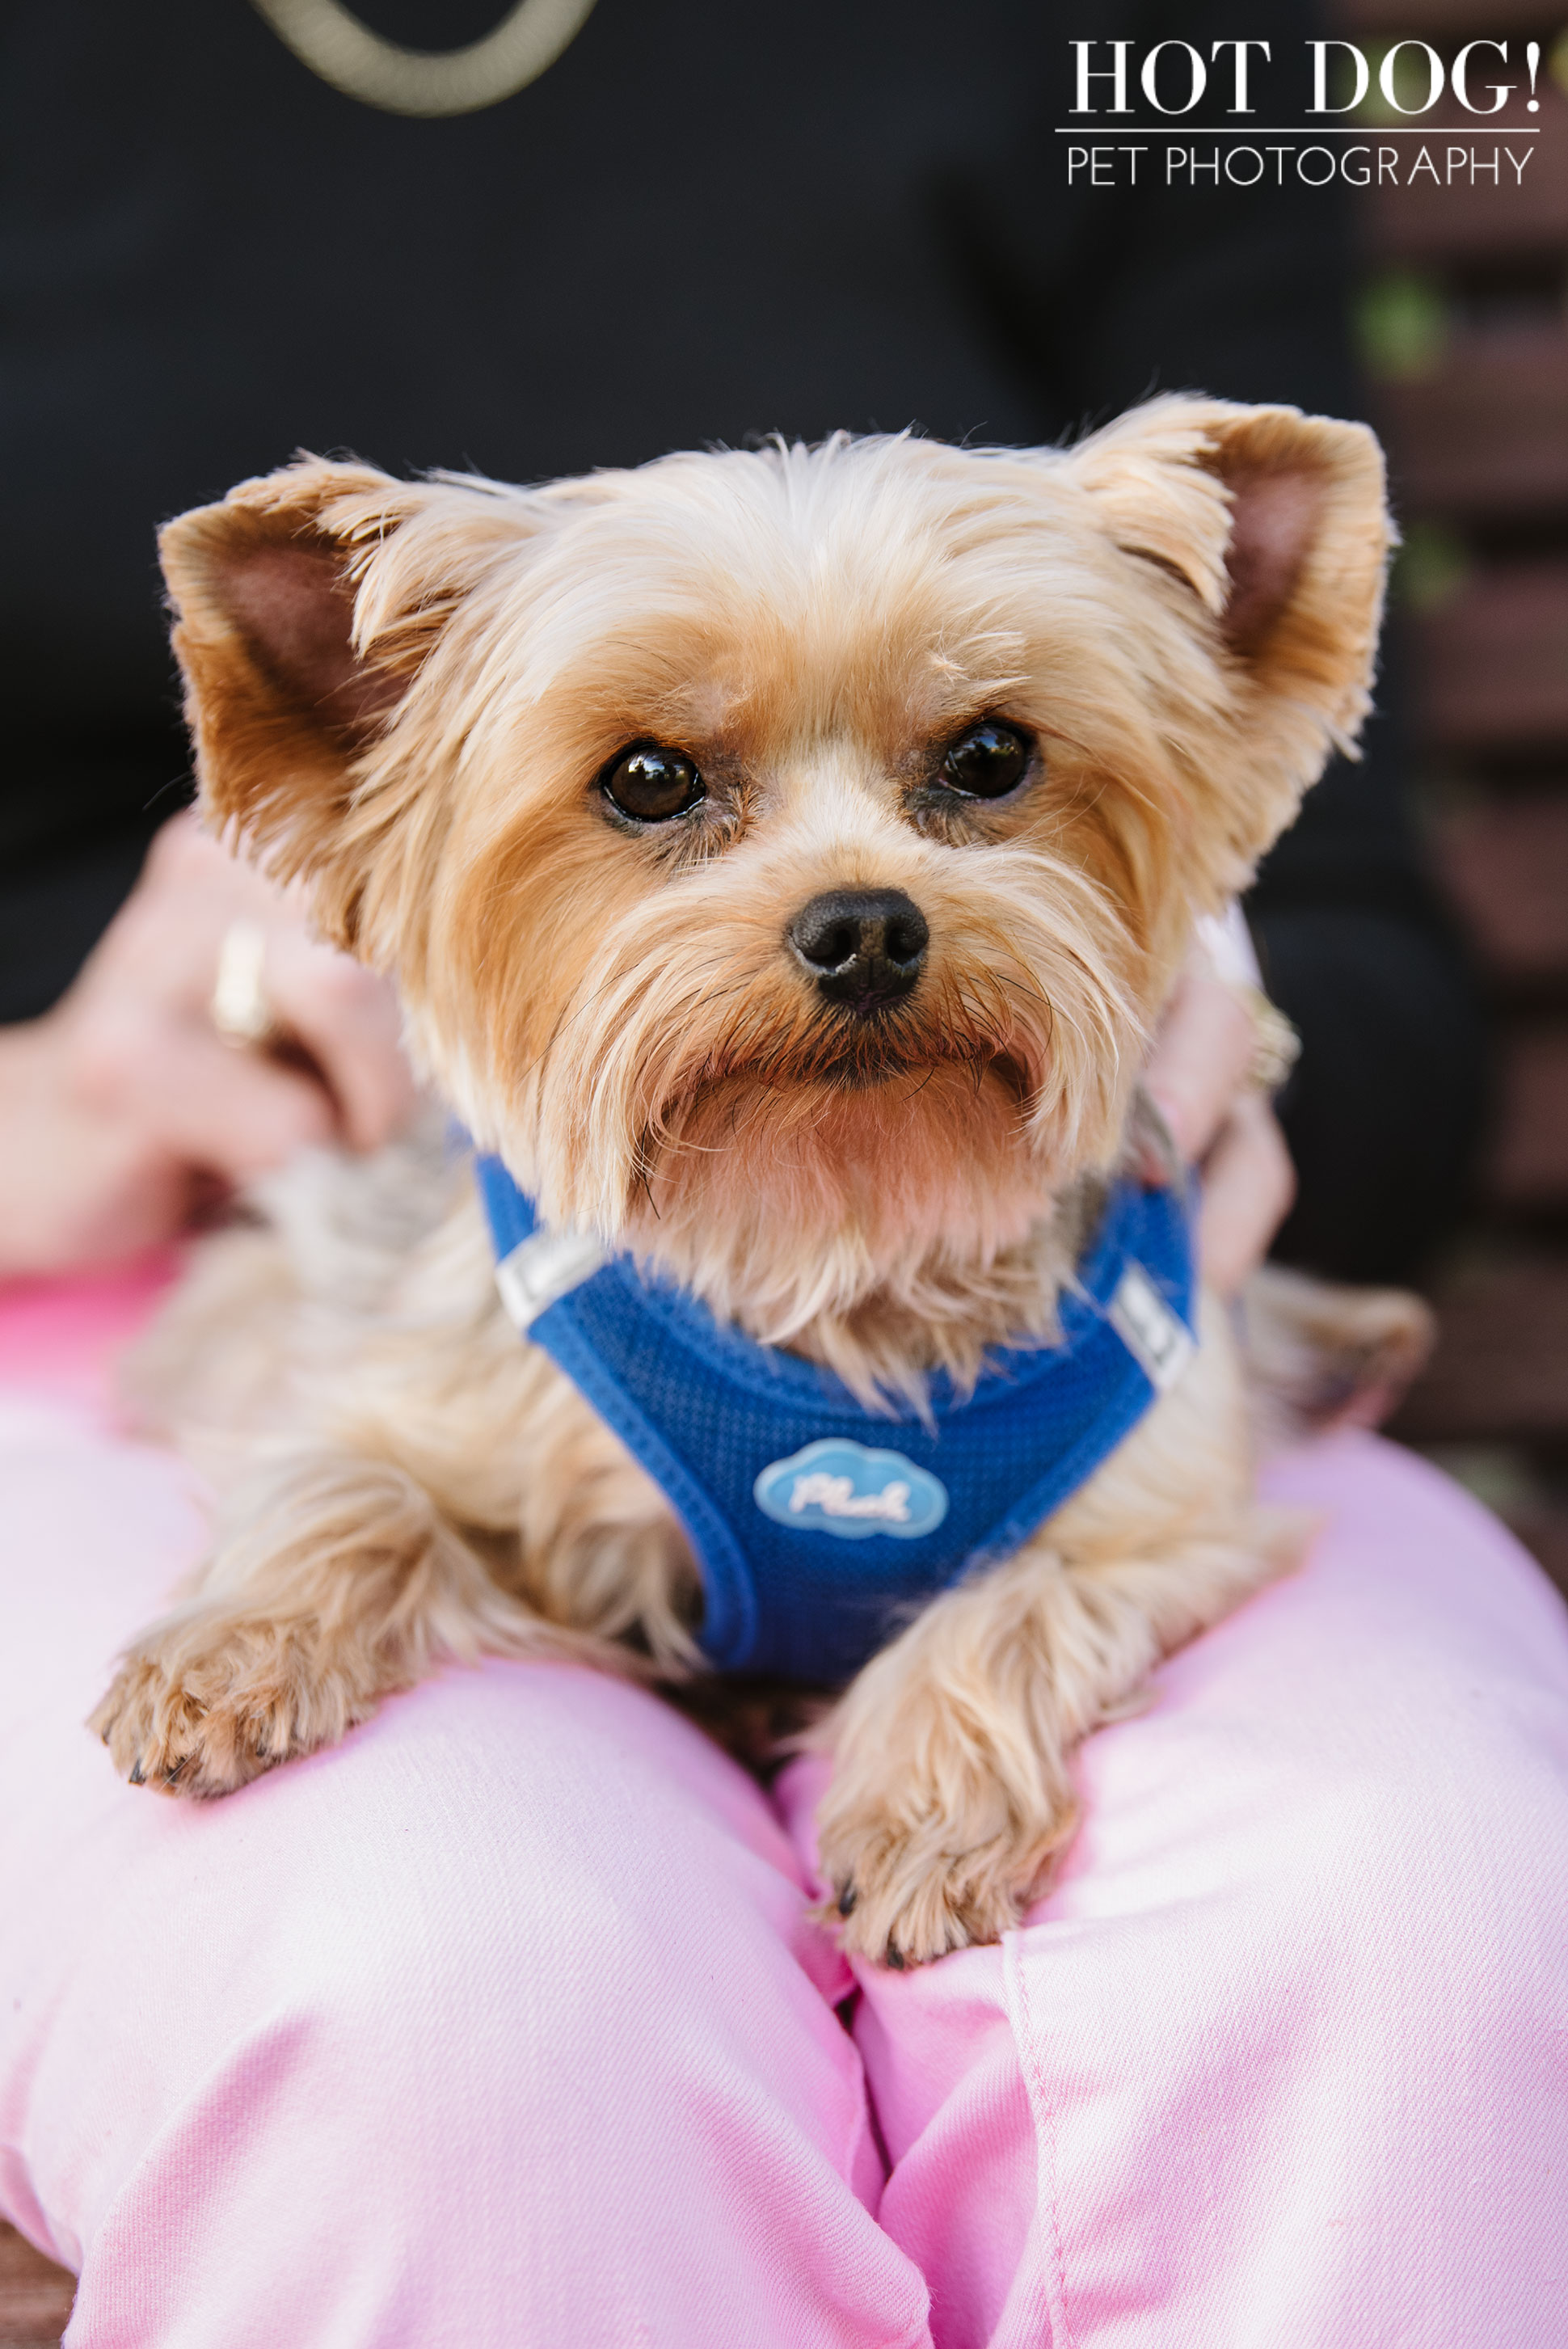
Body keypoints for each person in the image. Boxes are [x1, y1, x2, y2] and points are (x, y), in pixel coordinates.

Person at [5, 6, 1561, 2344]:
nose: (856, 897)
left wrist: (1226, 1039)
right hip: (171, 1272)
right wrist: (53, 1105)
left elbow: (1365, 970)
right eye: (658, 785)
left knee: (1425, 1936)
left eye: (982, 765)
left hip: (1104, 1308)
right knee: (447, 2008)